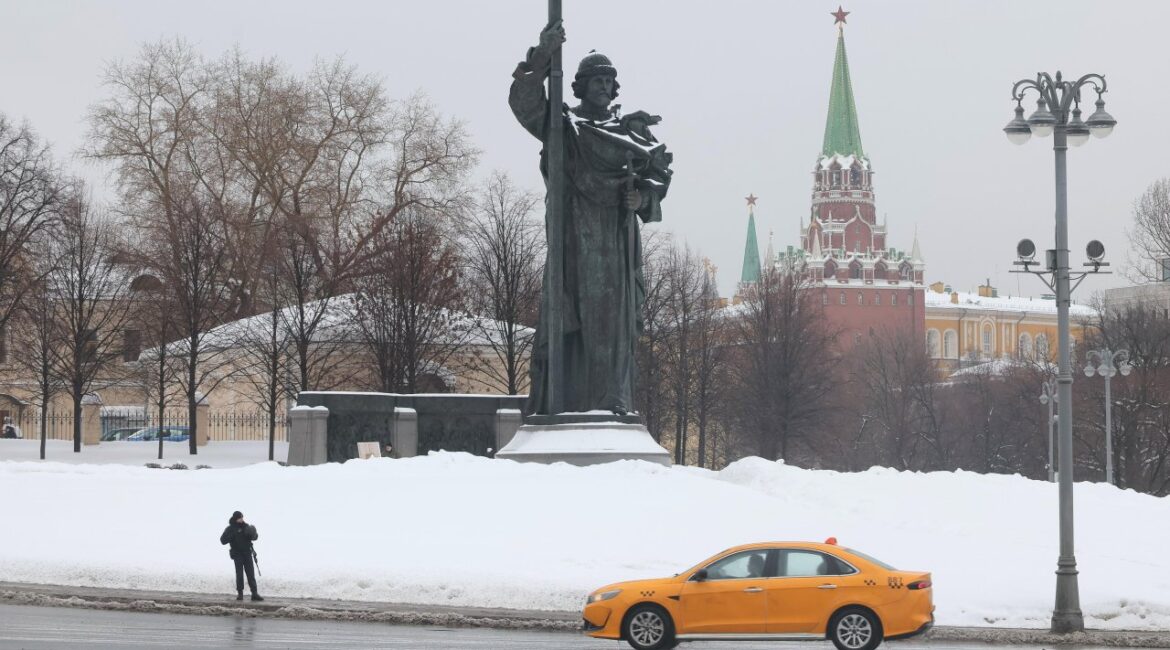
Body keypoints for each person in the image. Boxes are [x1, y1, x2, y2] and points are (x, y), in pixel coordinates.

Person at [510, 20, 673, 416]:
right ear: (579, 86)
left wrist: (641, 198)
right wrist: (543, 55)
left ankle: (610, 401)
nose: (603, 86)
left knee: (613, 325)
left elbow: (658, 182)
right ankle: (562, 404)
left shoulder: (629, 136)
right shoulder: (564, 127)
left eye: (608, 80)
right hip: (571, 239)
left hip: (615, 243)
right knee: (569, 320)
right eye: (595, 80)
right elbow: (524, 103)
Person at [220, 510, 263, 601]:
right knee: (239, 574)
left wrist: (254, 534)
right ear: (236, 518)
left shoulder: (246, 526)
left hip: (247, 553)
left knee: (250, 574)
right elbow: (222, 540)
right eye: (240, 518)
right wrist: (231, 536)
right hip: (237, 554)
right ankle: (240, 594)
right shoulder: (230, 528)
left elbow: (254, 538)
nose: (241, 519)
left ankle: (254, 594)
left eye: (242, 517)